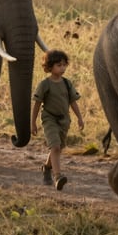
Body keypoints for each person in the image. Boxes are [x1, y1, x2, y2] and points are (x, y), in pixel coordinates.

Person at [31, 49, 84, 190]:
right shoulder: (44, 85)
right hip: (49, 119)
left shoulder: (67, 84)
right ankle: (58, 176)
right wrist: (33, 123)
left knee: (58, 148)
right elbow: (36, 104)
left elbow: (73, 102)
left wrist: (79, 118)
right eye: (58, 65)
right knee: (54, 146)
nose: (62, 68)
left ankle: (46, 168)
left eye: (64, 65)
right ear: (49, 67)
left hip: (64, 119)